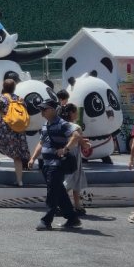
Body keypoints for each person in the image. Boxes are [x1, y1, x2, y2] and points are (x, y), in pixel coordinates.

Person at [32, 97, 82, 231]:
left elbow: (76, 135)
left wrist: (65, 149)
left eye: (44, 109)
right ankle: (72, 218)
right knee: (59, 192)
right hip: (46, 164)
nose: (42, 112)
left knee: (52, 193)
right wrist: (33, 158)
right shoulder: (45, 125)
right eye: (41, 109)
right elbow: (41, 143)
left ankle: (46, 221)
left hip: (57, 164)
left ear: (53, 110)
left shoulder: (62, 123)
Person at [0, 75, 31, 186]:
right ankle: (19, 181)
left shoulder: (1, 98)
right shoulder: (19, 99)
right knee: (17, 156)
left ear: (4, 87)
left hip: (6, 127)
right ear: (14, 88)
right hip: (19, 130)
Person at [61, 102, 88, 214]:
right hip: (73, 155)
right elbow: (80, 141)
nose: (77, 114)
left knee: (75, 179)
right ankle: (59, 203)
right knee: (71, 179)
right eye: (75, 112)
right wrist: (86, 145)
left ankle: (77, 205)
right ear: (71, 113)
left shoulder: (61, 125)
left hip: (62, 154)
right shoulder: (76, 127)